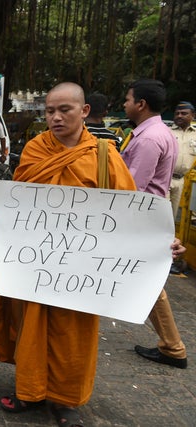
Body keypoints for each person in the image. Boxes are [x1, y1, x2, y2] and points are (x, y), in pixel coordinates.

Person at [0, 82, 136, 426]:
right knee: (28, 324)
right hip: (36, 266)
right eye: (50, 111)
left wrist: (161, 244)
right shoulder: (35, 149)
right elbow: (20, 199)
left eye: (65, 110)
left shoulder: (104, 156)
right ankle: (29, 389)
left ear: (84, 111)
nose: (56, 118)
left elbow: (132, 214)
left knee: (72, 332)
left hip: (80, 268)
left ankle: (65, 400)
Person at [121, 79, 186, 369]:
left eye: (127, 99)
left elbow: (132, 187)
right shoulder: (162, 132)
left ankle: (173, 347)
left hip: (142, 219)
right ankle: (172, 346)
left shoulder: (148, 138)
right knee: (148, 281)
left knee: (150, 282)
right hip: (150, 217)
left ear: (141, 104)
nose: (124, 104)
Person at [168, 101, 196, 219]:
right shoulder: (167, 132)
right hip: (166, 179)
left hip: (184, 181)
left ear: (193, 115)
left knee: (174, 216)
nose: (179, 116)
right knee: (162, 214)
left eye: (184, 113)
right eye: (177, 113)